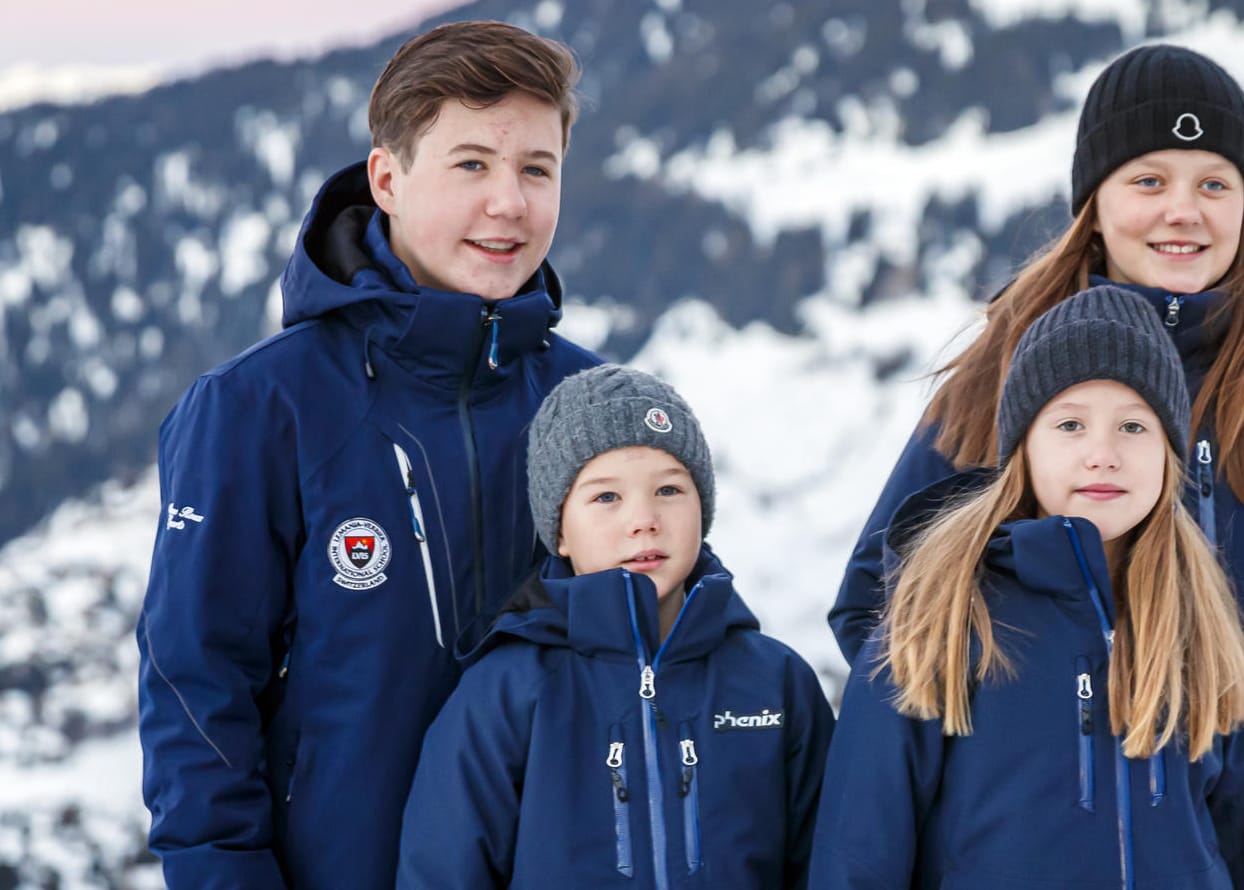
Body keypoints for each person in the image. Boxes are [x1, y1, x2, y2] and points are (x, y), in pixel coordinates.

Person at [826, 43, 1244, 888]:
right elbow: (877, 605)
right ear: (1094, 201)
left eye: (1213, 183)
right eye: (1149, 180)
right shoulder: (1000, 381)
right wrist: (983, 768)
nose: (1182, 211)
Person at [136, 21, 603, 889]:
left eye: (536, 169)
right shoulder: (259, 407)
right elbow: (194, 684)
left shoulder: (588, 406)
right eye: (471, 164)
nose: (509, 202)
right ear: (387, 179)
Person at [810, 285, 1244, 888]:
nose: (1103, 453)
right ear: (1022, 450)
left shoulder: (1200, 627)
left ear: (1170, 454)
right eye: (1071, 424)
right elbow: (858, 858)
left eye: (1134, 426)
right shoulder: (942, 624)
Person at [397, 365, 835, 889]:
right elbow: (444, 872)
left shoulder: (776, 682)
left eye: (670, 490)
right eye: (606, 497)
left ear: (704, 509)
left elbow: (827, 863)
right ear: (560, 531)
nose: (644, 518)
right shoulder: (506, 691)